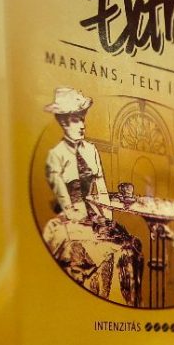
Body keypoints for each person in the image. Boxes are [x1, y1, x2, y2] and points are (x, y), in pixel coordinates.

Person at [40, 86, 140, 304]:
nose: (82, 125)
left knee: (125, 247)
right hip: (71, 219)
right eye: (76, 120)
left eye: (83, 119)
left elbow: (101, 189)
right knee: (87, 250)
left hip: (94, 215)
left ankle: (120, 303)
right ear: (64, 122)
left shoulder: (91, 150)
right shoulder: (56, 156)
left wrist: (107, 221)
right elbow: (66, 204)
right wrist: (88, 224)